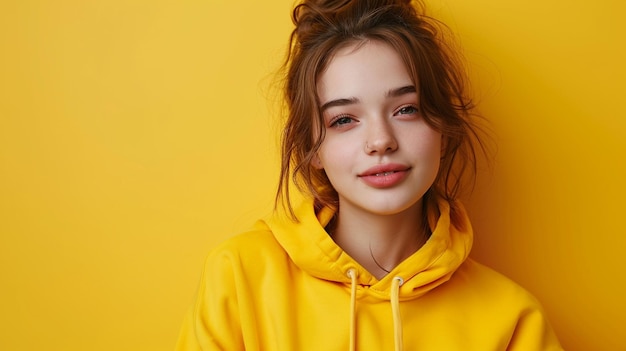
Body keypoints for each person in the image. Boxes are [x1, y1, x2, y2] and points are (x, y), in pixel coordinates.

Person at [175, 0, 563, 350]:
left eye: (406, 109)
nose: (380, 141)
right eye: (344, 119)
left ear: (443, 130)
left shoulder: (513, 321)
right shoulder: (240, 277)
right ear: (312, 149)